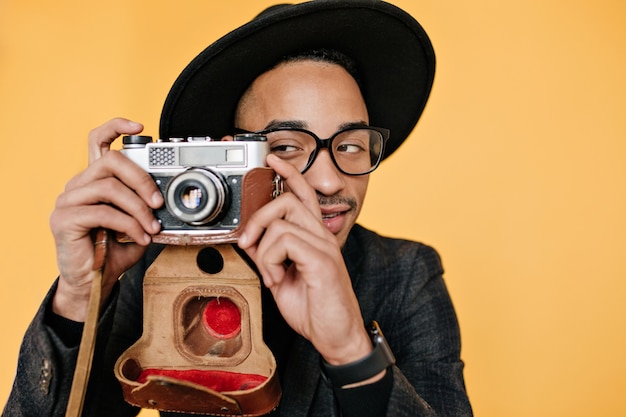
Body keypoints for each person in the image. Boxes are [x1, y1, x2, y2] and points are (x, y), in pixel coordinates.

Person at [3, 1, 472, 416]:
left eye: (350, 146)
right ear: (231, 159)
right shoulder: (160, 265)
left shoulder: (407, 274)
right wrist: (79, 298)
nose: (330, 181)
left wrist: (351, 351)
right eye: (287, 146)